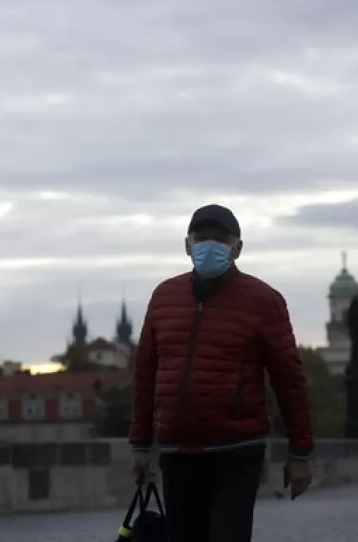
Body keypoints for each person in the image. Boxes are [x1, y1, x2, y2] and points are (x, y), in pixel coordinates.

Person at [129, 204, 314, 542]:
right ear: (187, 245)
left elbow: (289, 378)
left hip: (236, 450)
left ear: (237, 248)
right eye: (201, 239)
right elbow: (145, 374)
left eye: (220, 239)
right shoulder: (163, 297)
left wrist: (299, 453)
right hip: (178, 450)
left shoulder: (262, 299)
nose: (209, 246)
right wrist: (141, 445)